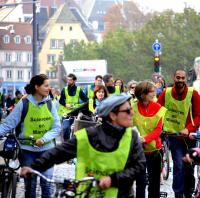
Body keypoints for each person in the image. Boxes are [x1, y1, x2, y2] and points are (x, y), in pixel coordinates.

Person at [20, 93, 146, 198]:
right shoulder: (89, 135)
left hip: (122, 195)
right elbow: (60, 152)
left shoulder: (132, 137)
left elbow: (139, 166)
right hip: (87, 193)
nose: (132, 114)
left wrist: (113, 179)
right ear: (113, 115)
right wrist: (34, 167)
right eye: (128, 110)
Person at [0, 74, 61, 198]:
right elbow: (8, 124)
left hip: (48, 151)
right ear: (37, 87)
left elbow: (56, 127)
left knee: (47, 185)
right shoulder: (24, 103)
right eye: (46, 85)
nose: (49, 88)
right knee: (30, 187)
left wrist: (44, 139)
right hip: (27, 152)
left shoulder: (50, 104)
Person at [157, 69, 200, 198]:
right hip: (173, 136)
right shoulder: (166, 93)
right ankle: (178, 194)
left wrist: (189, 128)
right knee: (179, 165)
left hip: (189, 136)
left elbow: (198, 115)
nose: (180, 80)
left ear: (186, 79)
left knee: (189, 167)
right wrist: (160, 127)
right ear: (173, 78)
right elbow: (158, 111)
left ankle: (188, 192)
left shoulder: (194, 94)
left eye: (183, 78)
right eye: (178, 77)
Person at [132, 81, 167, 198]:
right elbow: (129, 127)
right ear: (143, 94)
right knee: (140, 182)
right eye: (152, 91)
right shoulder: (132, 108)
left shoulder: (158, 107)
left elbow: (158, 130)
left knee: (154, 183)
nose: (154, 93)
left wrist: (145, 139)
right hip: (138, 152)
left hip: (155, 151)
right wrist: (137, 139)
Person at [58, 73, 88, 141]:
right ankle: (66, 143)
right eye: (67, 80)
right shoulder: (64, 89)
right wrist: (66, 104)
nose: (68, 81)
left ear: (74, 81)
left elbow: (86, 101)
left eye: (70, 80)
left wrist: (77, 106)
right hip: (66, 114)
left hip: (76, 114)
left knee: (76, 131)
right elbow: (60, 101)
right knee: (65, 128)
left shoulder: (78, 90)